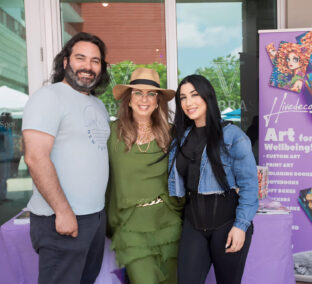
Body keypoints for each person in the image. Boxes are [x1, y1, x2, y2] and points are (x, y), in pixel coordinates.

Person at [22, 32, 110, 284]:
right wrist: (62, 211)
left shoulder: (98, 105)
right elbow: (35, 157)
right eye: (80, 58)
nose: (88, 66)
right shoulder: (49, 97)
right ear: (65, 62)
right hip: (60, 218)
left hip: (94, 217)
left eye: (95, 61)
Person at [168, 74, 259, 284]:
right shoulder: (180, 138)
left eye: (194, 95)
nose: (188, 102)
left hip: (227, 224)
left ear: (207, 96)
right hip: (193, 223)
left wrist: (241, 226)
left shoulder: (232, 136)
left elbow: (249, 185)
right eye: (182, 97)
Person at [106, 68, 184, 284]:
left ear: (158, 101)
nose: (144, 99)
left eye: (151, 94)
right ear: (128, 100)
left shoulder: (172, 133)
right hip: (130, 225)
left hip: (167, 222)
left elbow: (190, 170)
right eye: (138, 93)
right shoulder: (112, 133)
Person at [0, 112, 13, 203]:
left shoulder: (8, 129)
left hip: (7, 158)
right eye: (8, 119)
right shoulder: (1, 129)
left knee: (4, 178)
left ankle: (3, 197)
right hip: (2, 158)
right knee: (2, 178)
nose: (10, 121)